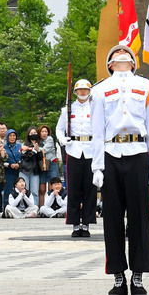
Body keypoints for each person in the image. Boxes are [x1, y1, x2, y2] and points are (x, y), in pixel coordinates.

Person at [91, 43, 149, 295]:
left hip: (138, 153)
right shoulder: (100, 91)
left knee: (140, 217)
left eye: (126, 55)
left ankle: (138, 276)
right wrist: (97, 166)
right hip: (111, 153)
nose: (121, 55)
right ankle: (118, 276)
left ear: (133, 63)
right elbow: (97, 131)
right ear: (110, 65)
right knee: (112, 218)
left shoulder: (146, 87)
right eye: (116, 55)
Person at [57, 78, 98, 237]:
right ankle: (75, 223)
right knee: (73, 189)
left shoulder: (95, 108)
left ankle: (86, 224)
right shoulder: (67, 109)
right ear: (74, 92)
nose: (82, 92)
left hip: (90, 150)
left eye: (85, 90)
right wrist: (63, 140)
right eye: (80, 90)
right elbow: (59, 129)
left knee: (90, 188)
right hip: (73, 150)